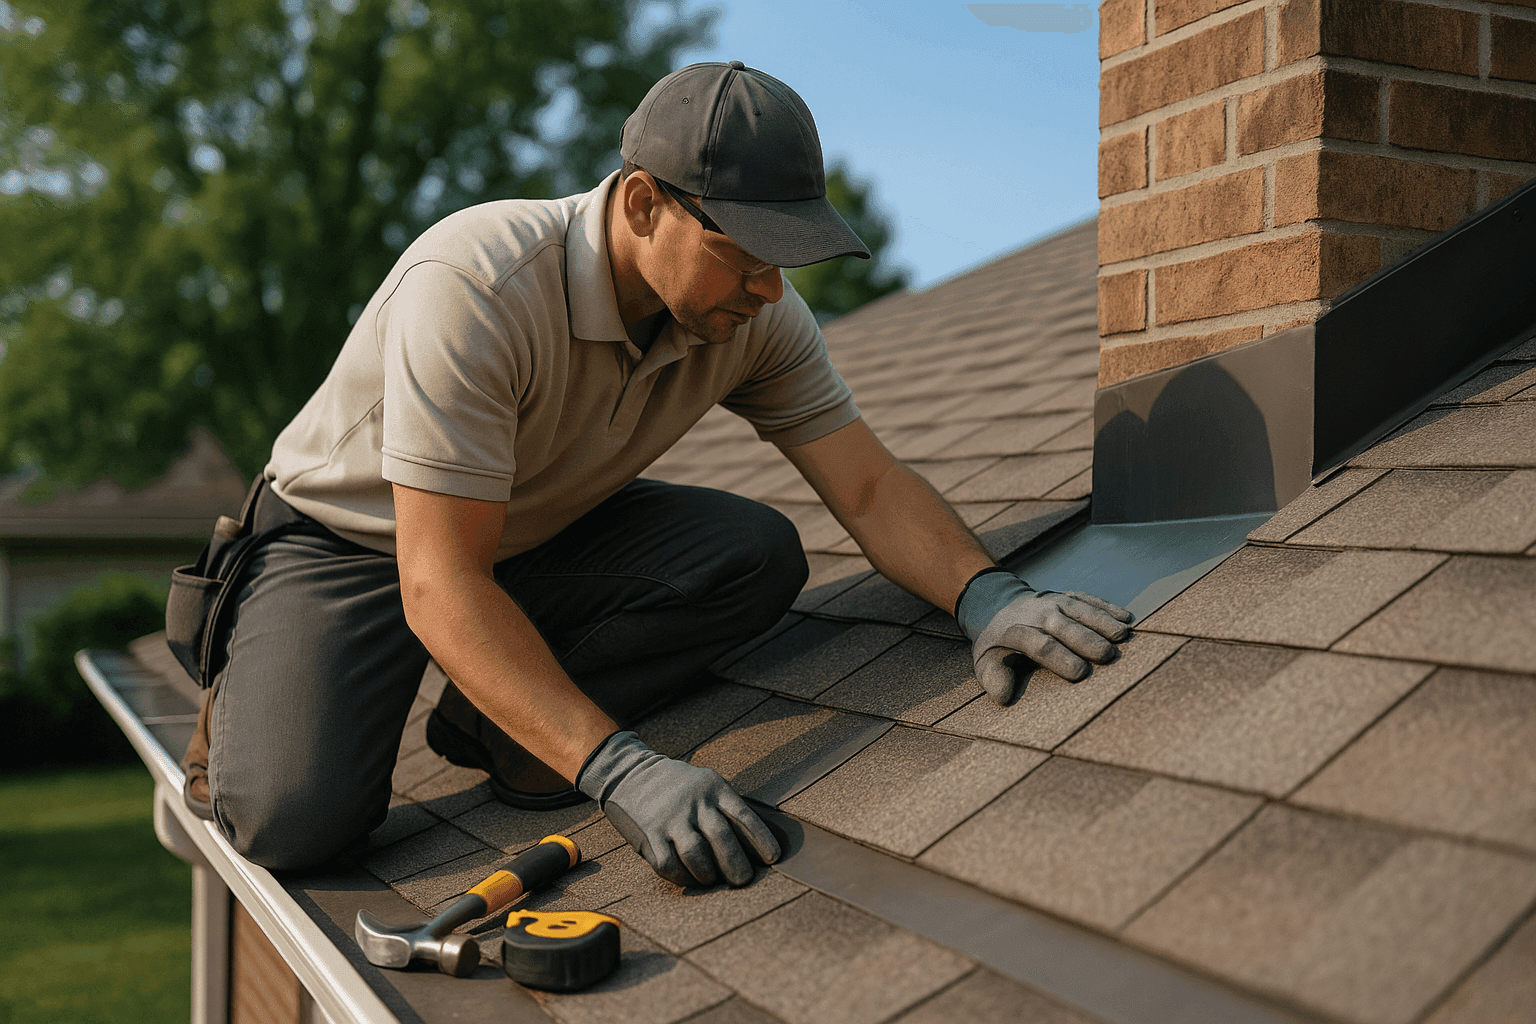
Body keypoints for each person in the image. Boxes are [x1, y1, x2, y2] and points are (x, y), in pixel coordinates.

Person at [178, 61, 1132, 887]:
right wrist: (622, 769)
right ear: (642, 204)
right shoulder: (476, 285)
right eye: (747, 253)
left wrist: (985, 595)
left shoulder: (756, 316)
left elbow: (869, 486)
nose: (771, 288)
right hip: (354, 545)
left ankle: (500, 725)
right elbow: (438, 580)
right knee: (294, 824)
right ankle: (245, 702)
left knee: (753, 553)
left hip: (528, 532)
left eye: (788, 257)